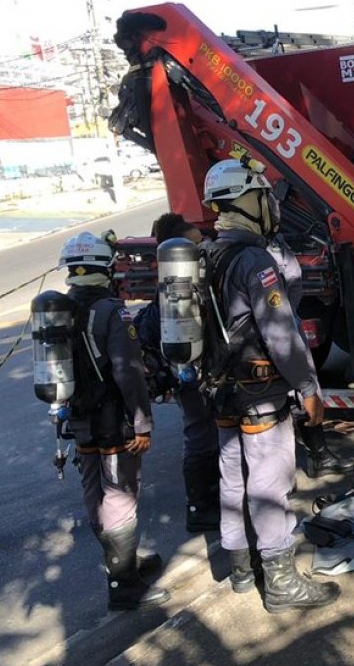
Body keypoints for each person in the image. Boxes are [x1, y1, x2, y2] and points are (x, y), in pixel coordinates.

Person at [201, 158, 338, 613]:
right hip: (260, 392)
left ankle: (241, 569)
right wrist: (308, 386)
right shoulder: (254, 259)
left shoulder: (206, 254)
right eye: (263, 197)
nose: (270, 207)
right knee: (269, 480)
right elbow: (281, 332)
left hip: (220, 389)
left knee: (231, 477)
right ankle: (281, 583)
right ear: (247, 201)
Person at [58, 230, 170, 610]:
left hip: (80, 420)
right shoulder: (111, 312)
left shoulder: (59, 311)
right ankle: (124, 584)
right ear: (106, 269)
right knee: (121, 495)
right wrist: (142, 422)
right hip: (114, 420)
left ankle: (122, 562)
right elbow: (129, 372)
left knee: (94, 489)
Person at [140, 213, 219, 533]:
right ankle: (200, 508)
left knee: (204, 433)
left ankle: (208, 502)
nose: (205, 249)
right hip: (192, 373)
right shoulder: (180, 290)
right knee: (201, 436)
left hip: (186, 370)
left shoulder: (168, 288)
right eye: (198, 244)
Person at [263, 227, 354, 480]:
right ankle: (280, 474)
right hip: (274, 327)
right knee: (293, 393)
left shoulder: (271, 242)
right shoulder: (253, 254)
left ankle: (318, 454)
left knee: (299, 391)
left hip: (285, 319)